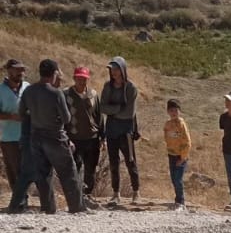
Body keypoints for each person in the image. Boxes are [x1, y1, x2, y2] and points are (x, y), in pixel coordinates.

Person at [13, 59, 86, 215]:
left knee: (43, 173)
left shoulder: (29, 91)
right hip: (55, 137)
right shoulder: (56, 93)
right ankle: (77, 207)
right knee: (68, 171)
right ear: (54, 73)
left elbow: (22, 113)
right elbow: (66, 118)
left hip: (36, 136)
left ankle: (48, 208)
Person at [100, 56, 140, 207]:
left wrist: (112, 111)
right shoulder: (107, 86)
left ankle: (136, 191)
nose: (114, 73)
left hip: (126, 130)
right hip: (111, 130)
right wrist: (117, 109)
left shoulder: (131, 88)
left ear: (123, 69)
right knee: (113, 162)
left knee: (130, 161)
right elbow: (102, 107)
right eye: (112, 70)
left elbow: (129, 113)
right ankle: (115, 193)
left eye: (116, 69)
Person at [65, 65, 103, 201]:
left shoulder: (93, 94)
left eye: (84, 78)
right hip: (74, 138)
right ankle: (75, 194)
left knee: (90, 168)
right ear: (74, 78)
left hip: (92, 137)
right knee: (75, 166)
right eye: (79, 78)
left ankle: (87, 194)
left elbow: (99, 116)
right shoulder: (66, 94)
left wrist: (101, 137)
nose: (82, 81)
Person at [0, 59, 30, 205]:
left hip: (28, 136)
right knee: (14, 171)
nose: (21, 73)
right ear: (9, 70)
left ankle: (22, 199)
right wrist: (10, 116)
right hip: (8, 137)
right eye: (18, 70)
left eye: (22, 70)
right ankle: (19, 201)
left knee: (26, 169)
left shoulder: (27, 87)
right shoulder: (1, 90)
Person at [163, 98, 191, 212]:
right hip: (171, 154)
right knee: (173, 179)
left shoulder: (181, 124)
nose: (173, 113)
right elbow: (166, 137)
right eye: (171, 110)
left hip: (181, 155)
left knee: (178, 179)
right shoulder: (167, 124)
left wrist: (183, 157)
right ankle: (177, 199)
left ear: (179, 111)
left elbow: (188, 142)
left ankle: (181, 202)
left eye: (175, 110)